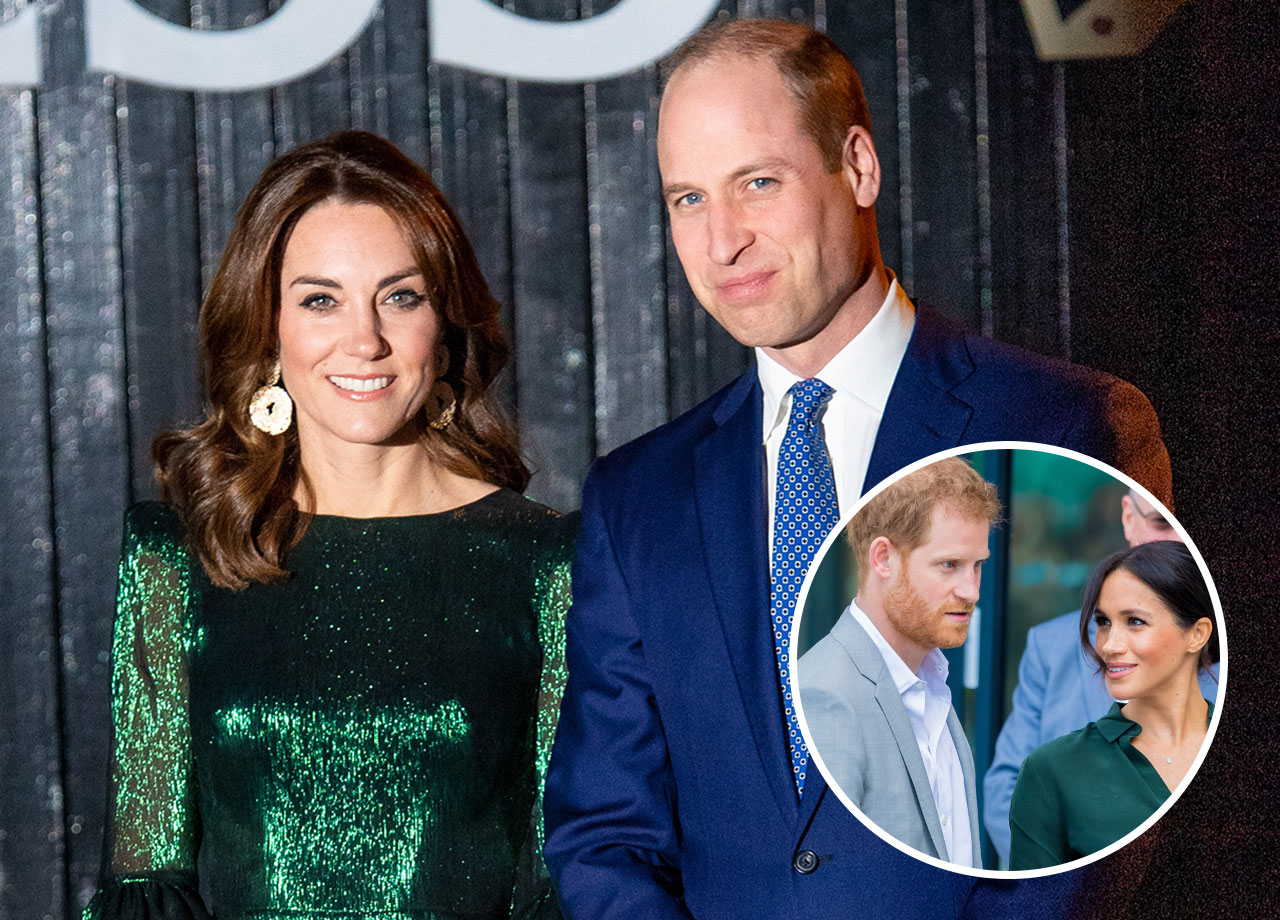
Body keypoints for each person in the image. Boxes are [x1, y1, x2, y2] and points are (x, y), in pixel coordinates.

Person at [543, 17, 1168, 920]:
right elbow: (605, 831)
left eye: (757, 183)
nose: (723, 243)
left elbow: (1102, 794)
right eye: (688, 199)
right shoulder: (638, 497)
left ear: (860, 167)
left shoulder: (1063, 425)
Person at [84, 131, 573, 919]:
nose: (365, 339)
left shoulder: (547, 563)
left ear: (443, 328)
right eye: (321, 300)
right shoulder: (176, 558)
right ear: (269, 329)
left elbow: (569, 877)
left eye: (400, 296)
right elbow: (145, 880)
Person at [983, 489, 1219, 864]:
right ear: (1130, 517)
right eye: (1104, 623)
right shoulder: (1051, 651)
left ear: (1198, 634)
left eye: (1135, 622)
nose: (1109, 646)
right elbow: (1007, 789)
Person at [799, 458, 1000, 869]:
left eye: (978, 565)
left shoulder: (933, 685)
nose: (972, 590)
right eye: (949, 565)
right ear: (884, 558)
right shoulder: (825, 696)